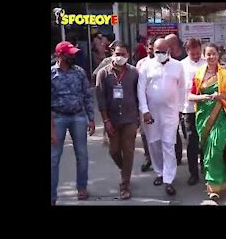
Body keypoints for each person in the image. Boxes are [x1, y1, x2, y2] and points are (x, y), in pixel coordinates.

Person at [188, 43, 226, 200]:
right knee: (207, 152)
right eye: (208, 54)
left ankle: (215, 186)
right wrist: (204, 97)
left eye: (214, 54)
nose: (211, 57)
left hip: (222, 116)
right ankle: (215, 183)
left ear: (218, 55)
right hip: (203, 118)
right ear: (204, 56)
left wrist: (223, 96)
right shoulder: (199, 74)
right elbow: (190, 96)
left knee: (215, 149)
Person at [137, 38, 186, 196]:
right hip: (151, 113)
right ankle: (160, 172)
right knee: (154, 143)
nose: (159, 54)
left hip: (171, 113)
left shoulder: (177, 66)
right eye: (157, 51)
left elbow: (182, 88)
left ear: (169, 51)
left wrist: (179, 109)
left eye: (163, 52)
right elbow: (141, 89)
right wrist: (144, 110)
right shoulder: (146, 66)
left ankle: (169, 179)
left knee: (168, 144)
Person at [51, 41, 95, 205]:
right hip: (57, 118)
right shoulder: (51, 73)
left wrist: (91, 118)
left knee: (82, 155)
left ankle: (82, 187)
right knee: (53, 158)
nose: (73, 56)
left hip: (78, 117)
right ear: (59, 56)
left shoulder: (79, 72)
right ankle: (52, 195)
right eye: (69, 54)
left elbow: (87, 95)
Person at [95, 42, 139, 199]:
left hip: (130, 119)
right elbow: (100, 99)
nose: (120, 57)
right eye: (117, 54)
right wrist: (105, 121)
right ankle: (125, 169)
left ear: (128, 55)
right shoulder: (103, 73)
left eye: (123, 54)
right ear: (112, 53)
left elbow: (139, 95)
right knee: (114, 151)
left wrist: (139, 116)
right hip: (112, 119)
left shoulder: (134, 72)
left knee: (128, 151)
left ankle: (125, 184)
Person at [180, 38, 207, 185]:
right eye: (193, 54)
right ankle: (193, 173)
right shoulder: (181, 66)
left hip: (206, 108)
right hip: (188, 109)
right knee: (191, 142)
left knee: (205, 140)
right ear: (187, 51)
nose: (196, 56)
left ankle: (205, 167)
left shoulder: (207, 63)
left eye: (198, 53)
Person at [165, 33, 186, 165]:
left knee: (187, 131)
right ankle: (177, 157)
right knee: (173, 130)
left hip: (185, 100)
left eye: (168, 44)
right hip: (170, 100)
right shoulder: (166, 58)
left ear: (174, 44)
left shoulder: (185, 57)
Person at [136, 37, 156, 172]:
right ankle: (149, 157)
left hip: (160, 103)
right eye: (149, 47)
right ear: (146, 47)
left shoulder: (165, 62)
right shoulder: (141, 63)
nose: (151, 49)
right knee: (144, 132)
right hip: (144, 104)